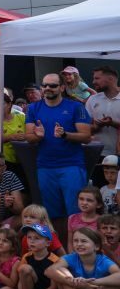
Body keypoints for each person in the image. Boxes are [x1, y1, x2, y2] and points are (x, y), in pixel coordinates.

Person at [25, 73, 92, 239]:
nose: (47, 88)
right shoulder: (33, 108)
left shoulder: (76, 107)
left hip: (71, 165)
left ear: (62, 88)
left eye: (52, 85)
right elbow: (29, 136)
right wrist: (37, 136)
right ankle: (60, 248)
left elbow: (86, 136)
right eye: (44, 85)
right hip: (46, 167)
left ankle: (79, 248)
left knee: (75, 212)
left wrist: (65, 135)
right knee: (52, 213)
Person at [16, 223, 62, 289]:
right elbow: (20, 279)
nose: (32, 241)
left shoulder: (55, 260)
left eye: (37, 238)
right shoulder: (27, 256)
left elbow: (53, 288)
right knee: (24, 268)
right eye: (29, 237)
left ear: (48, 243)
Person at [87, 65, 120, 154]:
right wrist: (96, 127)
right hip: (95, 153)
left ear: (110, 79)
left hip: (117, 153)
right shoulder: (92, 99)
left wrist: (113, 123)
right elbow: (84, 128)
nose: (93, 82)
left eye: (97, 78)